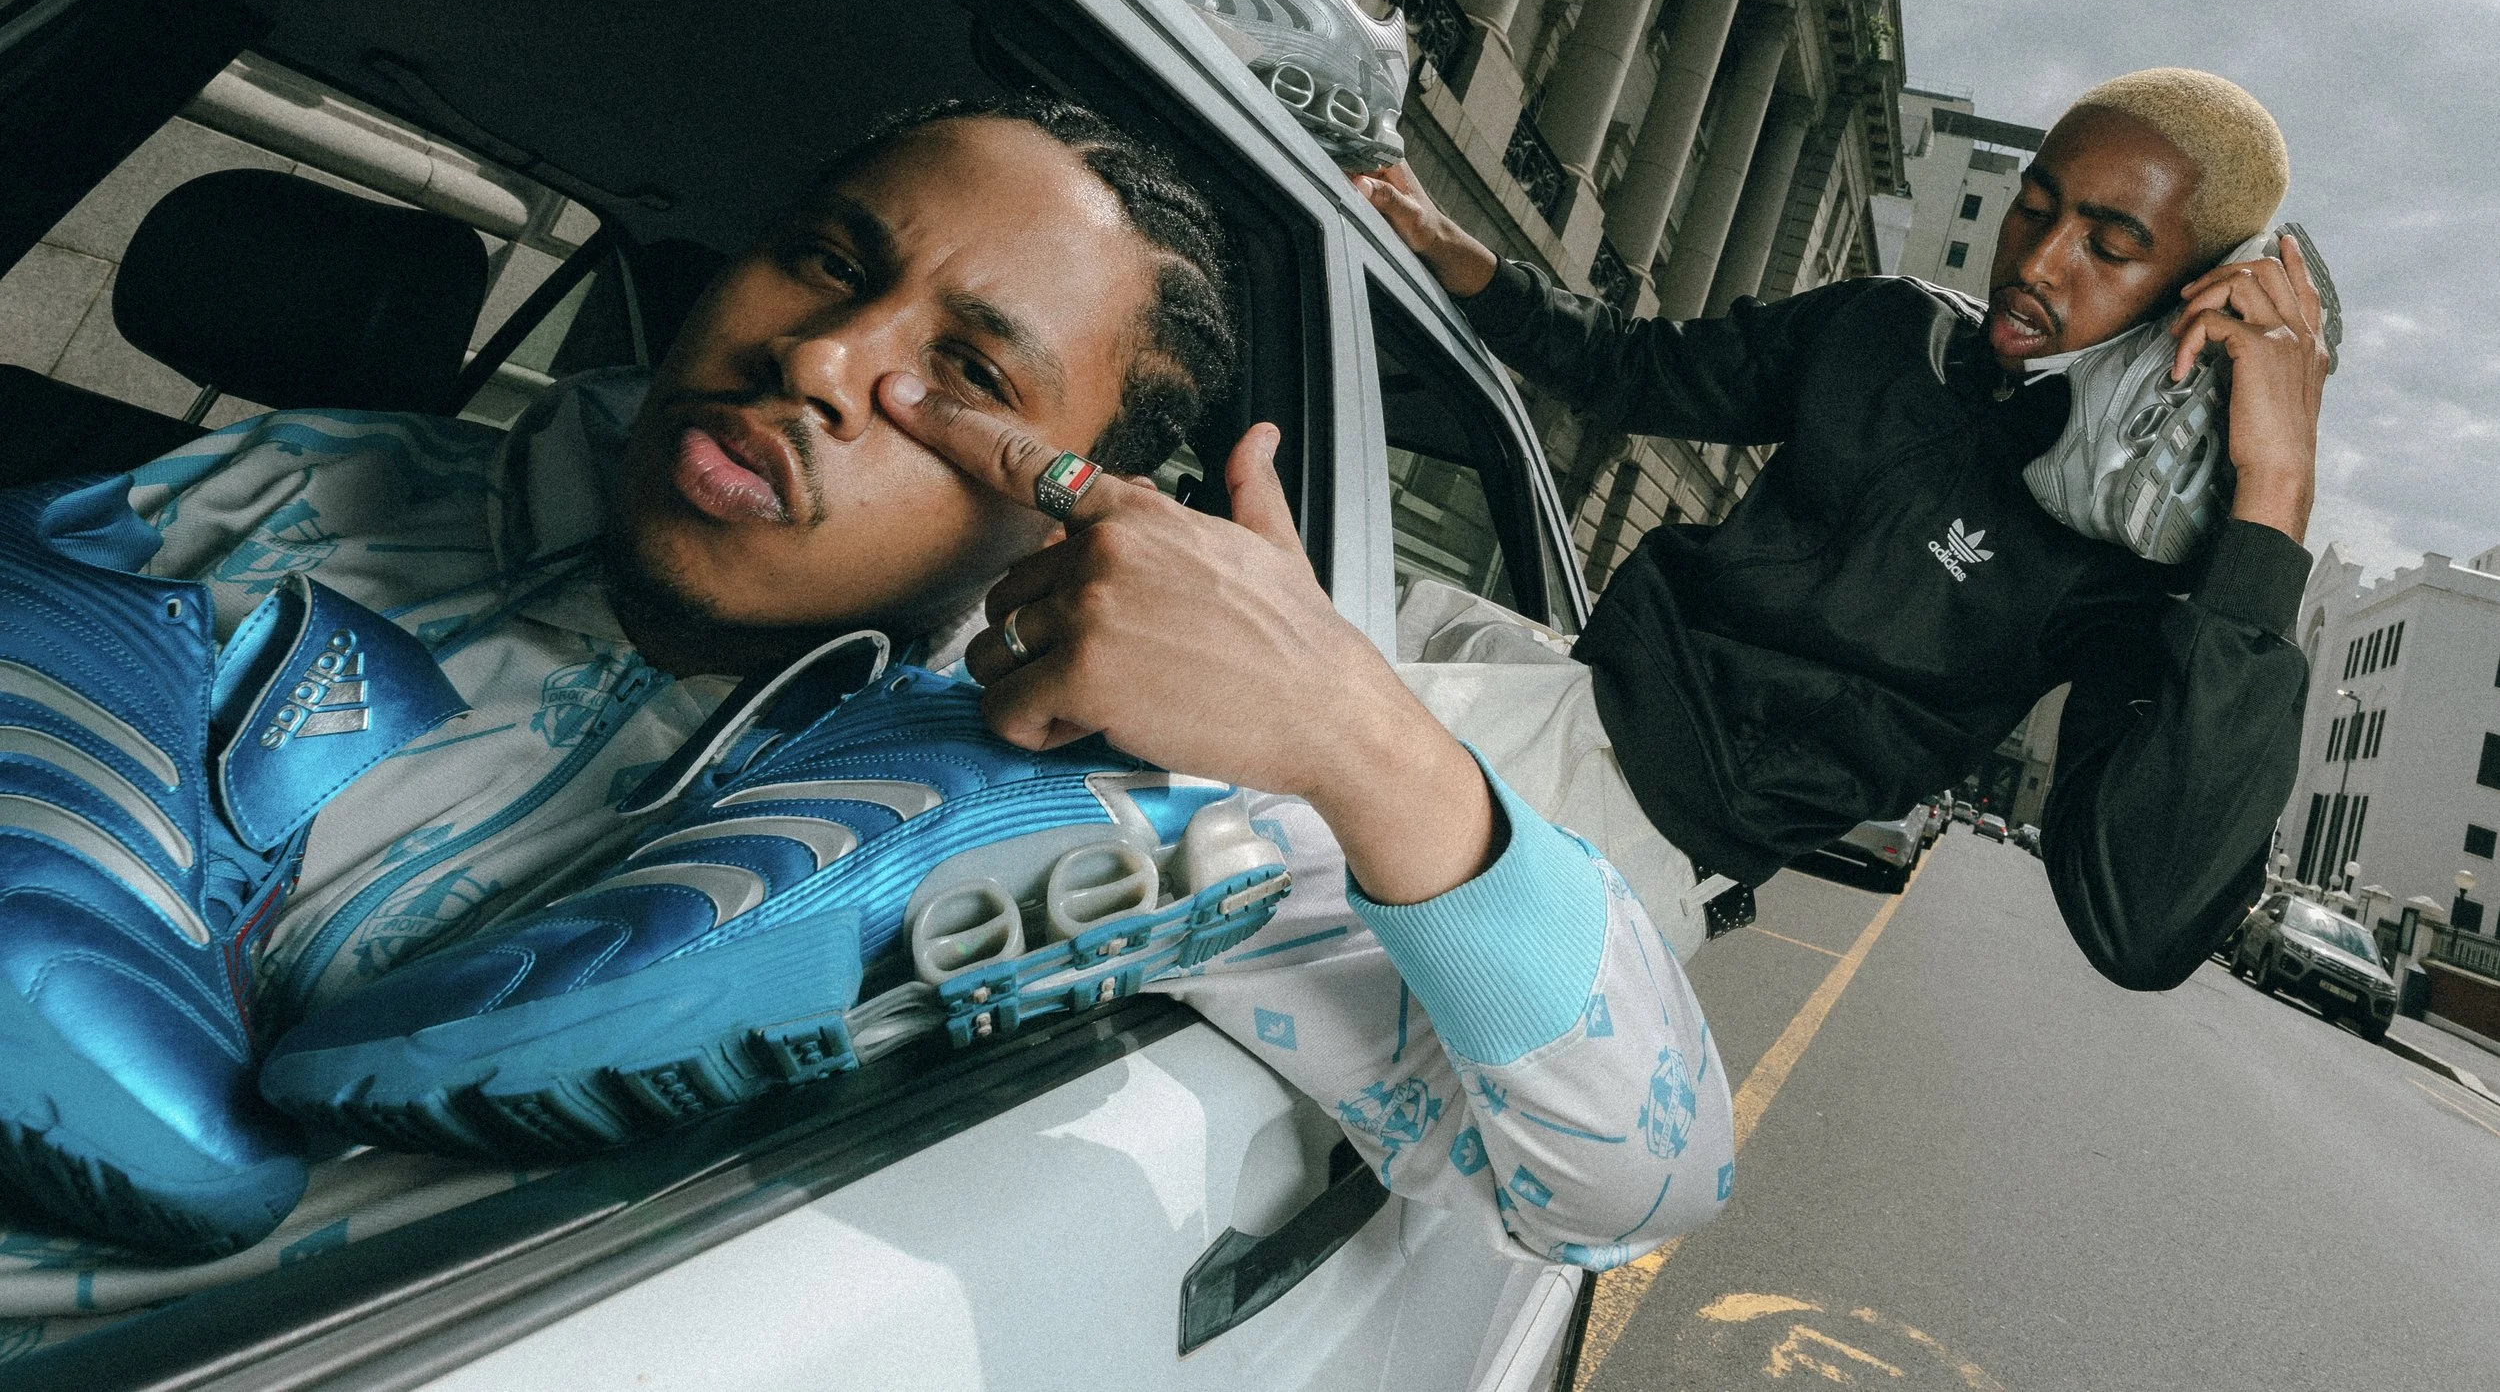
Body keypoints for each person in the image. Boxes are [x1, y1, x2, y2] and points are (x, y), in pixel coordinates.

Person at [2, 95, 1730, 1273]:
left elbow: (1625, 1189)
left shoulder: (1122, 836)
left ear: (1063, 502)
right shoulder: (312, 489)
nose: (820, 361)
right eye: (832, 262)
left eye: (967, 367)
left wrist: (1359, 737)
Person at [1351, 67, 2331, 989]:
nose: (2037, 261)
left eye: (2109, 248)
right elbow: (1640, 368)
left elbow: (2142, 922)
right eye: (2033, 208)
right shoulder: (1882, 330)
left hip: (1607, 844)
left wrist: (2276, 486)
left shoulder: (2124, 572)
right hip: (1564, 699)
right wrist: (1458, 256)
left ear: (2190, 301)